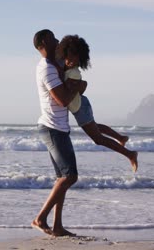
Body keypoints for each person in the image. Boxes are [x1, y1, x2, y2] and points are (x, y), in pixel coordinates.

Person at [31, 29, 87, 237]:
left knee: (61, 179)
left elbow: (73, 81)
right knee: (70, 176)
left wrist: (78, 83)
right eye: (54, 39)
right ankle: (40, 218)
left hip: (59, 127)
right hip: (52, 128)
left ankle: (57, 226)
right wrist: (77, 85)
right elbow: (62, 99)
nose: (58, 41)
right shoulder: (46, 69)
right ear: (45, 41)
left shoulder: (55, 63)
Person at [56, 35, 138, 172]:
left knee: (98, 138)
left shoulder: (74, 73)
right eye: (68, 57)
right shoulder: (65, 66)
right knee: (96, 127)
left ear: (80, 59)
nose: (70, 61)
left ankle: (130, 154)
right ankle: (121, 137)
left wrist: (80, 84)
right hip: (81, 105)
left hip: (81, 107)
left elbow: (68, 91)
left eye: (74, 58)